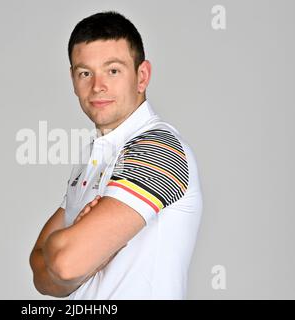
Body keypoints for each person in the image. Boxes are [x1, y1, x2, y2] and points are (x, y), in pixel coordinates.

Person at [29, 11, 202, 299]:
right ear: (73, 79)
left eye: (113, 70)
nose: (97, 86)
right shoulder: (92, 156)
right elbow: (41, 274)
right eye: (85, 72)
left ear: (142, 76)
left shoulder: (159, 149)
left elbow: (64, 264)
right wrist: (76, 258)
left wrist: (71, 258)